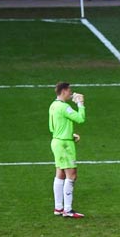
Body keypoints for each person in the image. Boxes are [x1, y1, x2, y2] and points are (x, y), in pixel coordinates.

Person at [48, 82, 86, 219]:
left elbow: (53, 127)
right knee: (72, 175)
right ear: (63, 91)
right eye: (69, 90)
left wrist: (69, 135)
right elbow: (81, 119)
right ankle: (68, 210)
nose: (71, 92)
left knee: (60, 173)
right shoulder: (65, 107)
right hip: (64, 145)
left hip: (57, 141)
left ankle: (58, 208)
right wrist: (80, 104)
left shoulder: (53, 105)